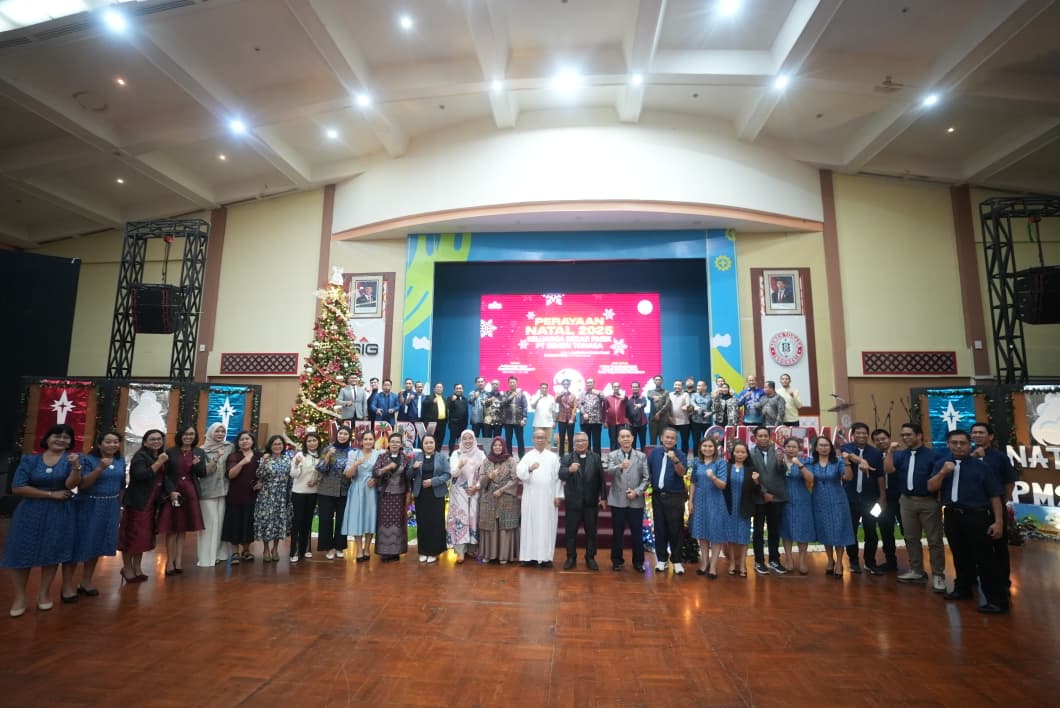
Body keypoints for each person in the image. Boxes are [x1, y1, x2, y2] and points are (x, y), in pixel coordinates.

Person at [2, 424, 82, 616]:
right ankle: (20, 597)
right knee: (20, 553)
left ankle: (44, 594)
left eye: (66, 437)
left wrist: (76, 467)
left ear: (70, 442)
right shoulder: (30, 460)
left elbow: (70, 485)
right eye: (57, 435)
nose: (61, 439)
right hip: (30, 511)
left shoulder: (71, 460)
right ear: (47, 438)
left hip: (59, 512)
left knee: (51, 551)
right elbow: (18, 487)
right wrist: (50, 494)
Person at [927, 429, 1007, 613]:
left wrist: (999, 521)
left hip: (977, 516)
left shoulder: (981, 467)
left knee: (985, 558)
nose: (958, 446)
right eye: (954, 443)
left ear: (969, 444)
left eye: (962, 443)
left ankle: (997, 600)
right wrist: (943, 473)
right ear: (948, 445)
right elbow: (931, 486)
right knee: (960, 555)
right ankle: (963, 589)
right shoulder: (942, 464)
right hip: (952, 515)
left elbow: (995, 496)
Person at [885, 422, 945, 591]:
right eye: (903, 435)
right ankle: (917, 571)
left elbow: (938, 481)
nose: (905, 438)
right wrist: (890, 452)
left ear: (919, 435)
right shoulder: (900, 455)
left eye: (909, 434)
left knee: (934, 540)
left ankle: (938, 574)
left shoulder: (933, 455)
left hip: (928, 501)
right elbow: (888, 470)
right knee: (911, 538)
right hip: (906, 501)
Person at [71, 431, 124, 597]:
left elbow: (121, 485)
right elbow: (83, 485)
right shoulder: (88, 459)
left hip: (110, 507)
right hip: (89, 505)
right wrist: (100, 468)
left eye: (116, 441)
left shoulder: (120, 460)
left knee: (97, 544)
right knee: (80, 543)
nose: (113, 444)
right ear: (99, 444)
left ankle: (86, 581)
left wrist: (119, 507)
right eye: (108, 441)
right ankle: (67, 584)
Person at [970, 420, 1017, 592]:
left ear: (990, 436)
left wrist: (1004, 502)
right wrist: (974, 457)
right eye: (974, 433)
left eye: (981, 432)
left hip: (995, 507)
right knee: (974, 545)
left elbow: (1009, 481)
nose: (977, 435)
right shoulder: (966, 456)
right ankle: (973, 578)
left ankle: (1003, 581)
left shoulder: (999, 457)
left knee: (999, 547)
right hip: (973, 508)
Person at [118, 429, 166, 583]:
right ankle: (127, 568)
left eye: (159, 439)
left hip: (151, 503)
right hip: (137, 503)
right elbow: (140, 475)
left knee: (143, 538)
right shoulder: (140, 456)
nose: (156, 441)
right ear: (145, 442)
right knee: (131, 537)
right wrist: (159, 463)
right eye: (152, 439)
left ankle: (137, 567)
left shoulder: (159, 456)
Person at [158, 425, 206, 575]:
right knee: (172, 528)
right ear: (180, 435)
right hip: (174, 490)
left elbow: (202, 473)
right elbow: (165, 474)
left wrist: (196, 465)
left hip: (190, 490)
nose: (188, 437)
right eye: (185, 434)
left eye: (191, 434)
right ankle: (169, 562)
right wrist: (171, 491)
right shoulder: (170, 451)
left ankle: (178, 561)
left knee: (183, 528)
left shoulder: (199, 452)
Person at [806, 436, 855, 576]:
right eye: (821, 445)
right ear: (816, 448)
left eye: (826, 445)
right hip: (819, 500)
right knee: (825, 530)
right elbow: (807, 478)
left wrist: (847, 462)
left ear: (831, 447)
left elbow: (848, 477)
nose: (823, 448)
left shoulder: (838, 461)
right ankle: (829, 560)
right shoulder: (811, 462)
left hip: (837, 500)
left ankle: (839, 563)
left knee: (839, 531)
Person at [559, 432, 607, 570]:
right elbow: (560, 474)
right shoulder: (567, 458)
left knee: (591, 532)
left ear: (588, 442)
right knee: (571, 532)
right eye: (578, 441)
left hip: (591, 502)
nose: (580, 443)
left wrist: (603, 497)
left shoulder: (596, 457)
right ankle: (571, 557)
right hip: (573, 503)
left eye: (583, 440)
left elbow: (601, 479)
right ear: (574, 443)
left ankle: (590, 557)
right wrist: (569, 470)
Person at [841, 423, 885, 575]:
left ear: (868, 434)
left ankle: (870, 562)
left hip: (870, 499)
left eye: (864, 433)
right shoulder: (847, 448)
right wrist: (862, 461)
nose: (861, 435)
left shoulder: (875, 453)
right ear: (853, 435)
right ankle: (853, 561)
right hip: (850, 498)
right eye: (858, 433)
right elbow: (848, 456)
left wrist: (882, 496)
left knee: (871, 531)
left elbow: (880, 476)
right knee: (851, 531)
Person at [516, 429, 563, 568]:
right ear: (533, 439)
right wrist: (530, 469)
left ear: (547, 440)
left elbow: (558, 478)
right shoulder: (527, 456)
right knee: (529, 526)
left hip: (548, 498)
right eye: (537, 437)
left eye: (542, 437)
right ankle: (528, 557)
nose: (540, 440)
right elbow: (520, 473)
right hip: (531, 498)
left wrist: (558, 495)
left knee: (546, 526)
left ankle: (545, 558)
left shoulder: (553, 457)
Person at [605, 428, 650, 571]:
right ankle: (617, 561)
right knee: (617, 532)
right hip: (618, 500)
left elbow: (647, 478)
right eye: (622, 436)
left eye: (628, 436)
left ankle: (638, 562)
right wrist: (619, 466)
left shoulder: (641, 456)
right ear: (618, 439)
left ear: (632, 438)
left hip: (636, 500)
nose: (625, 439)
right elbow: (609, 471)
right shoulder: (612, 455)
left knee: (637, 533)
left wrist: (637, 492)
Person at [748, 425, 789, 575]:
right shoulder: (750, 454)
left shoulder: (778, 452)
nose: (763, 438)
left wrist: (781, 462)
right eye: (760, 436)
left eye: (766, 436)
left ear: (770, 437)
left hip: (777, 498)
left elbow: (782, 472)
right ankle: (759, 561)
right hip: (759, 498)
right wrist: (764, 492)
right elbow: (751, 475)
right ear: (755, 438)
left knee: (774, 530)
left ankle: (774, 560)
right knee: (758, 530)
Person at [647, 428, 687, 575]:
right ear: (661, 438)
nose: (669, 440)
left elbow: (682, 473)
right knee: (659, 528)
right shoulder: (654, 453)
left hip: (675, 497)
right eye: (667, 437)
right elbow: (648, 471)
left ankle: (676, 561)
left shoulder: (680, 454)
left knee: (675, 529)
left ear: (676, 441)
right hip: (658, 496)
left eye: (672, 438)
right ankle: (661, 560)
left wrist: (675, 460)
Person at [689, 437, 728, 578]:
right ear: (700, 448)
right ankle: (704, 563)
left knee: (715, 533)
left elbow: (723, 485)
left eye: (710, 446)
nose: (707, 448)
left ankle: (713, 566)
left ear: (715, 448)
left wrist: (713, 477)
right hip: (699, 500)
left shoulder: (720, 462)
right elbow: (693, 482)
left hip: (715, 500)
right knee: (702, 532)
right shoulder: (697, 462)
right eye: (704, 446)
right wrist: (690, 501)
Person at [409, 434, 450, 563]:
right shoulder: (417, 456)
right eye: (426, 443)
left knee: (435, 523)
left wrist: (433, 481)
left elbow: (447, 474)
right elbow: (408, 474)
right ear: (422, 445)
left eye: (431, 442)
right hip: (421, 495)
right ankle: (423, 551)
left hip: (436, 495)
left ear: (435, 444)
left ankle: (434, 551)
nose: (429, 445)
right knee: (422, 523)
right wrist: (414, 468)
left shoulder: (441, 457)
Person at [479, 437, 520, 564]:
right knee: (490, 524)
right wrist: (489, 477)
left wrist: (502, 490)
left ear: (504, 447)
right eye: (495, 445)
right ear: (492, 447)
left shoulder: (511, 461)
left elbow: (515, 479)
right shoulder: (486, 461)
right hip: (489, 498)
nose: (497, 447)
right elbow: (481, 482)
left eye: (500, 445)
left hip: (507, 497)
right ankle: (489, 554)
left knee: (505, 526)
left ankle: (504, 555)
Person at [341, 430, 380, 562]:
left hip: (372, 490)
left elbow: (383, 473)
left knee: (370, 517)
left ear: (374, 441)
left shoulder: (379, 454)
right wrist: (356, 464)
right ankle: (358, 549)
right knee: (357, 517)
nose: (368, 441)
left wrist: (376, 480)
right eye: (366, 439)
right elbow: (348, 475)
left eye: (370, 439)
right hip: (357, 489)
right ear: (361, 441)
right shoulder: (354, 454)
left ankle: (367, 548)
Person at [372, 433, 411, 562]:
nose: (394, 444)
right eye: (392, 441)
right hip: (385, 495)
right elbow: (375, 472)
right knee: (384, 522)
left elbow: (408, 478)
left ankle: (396, 551)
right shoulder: (382, 457)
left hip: (400, 495)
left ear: (401, 444)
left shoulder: (405, 459)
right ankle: (384, 552)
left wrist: (409, 494)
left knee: (398, 522)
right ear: (388, 443)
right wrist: (387, 468)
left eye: (397, 442)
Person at [222, 431, 260, 563]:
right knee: (235, 522)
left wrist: (260, 483)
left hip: (252, 495)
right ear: (238, 443)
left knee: (248, 522)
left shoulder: (259, 456)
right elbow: (231, 475)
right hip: (235, 495)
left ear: (252, 441)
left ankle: (246, 550)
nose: (245, 441)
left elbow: (265, 473)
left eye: (247, 439)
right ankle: (235, 552)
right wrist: (242, 462)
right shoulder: (234, 456)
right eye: (242, 439)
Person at [779, 437, 815, 575]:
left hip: (802, 499)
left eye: (794, 447)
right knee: (786, 529)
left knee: (802, 529)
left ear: (799, 449)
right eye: (788, 446)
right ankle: (788, 559)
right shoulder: (779, 461)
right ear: (784, 448)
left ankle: (802, 560)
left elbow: (811, 479)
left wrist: (799, 464)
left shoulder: (805, 461)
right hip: (783, 499)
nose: (791, 449)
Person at [448, 429, 485, 563]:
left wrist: (477, 487)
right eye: (465, 438)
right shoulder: (456, 454)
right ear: (461, 440)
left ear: (474, 439)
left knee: (473, 518)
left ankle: (472, 549)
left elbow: (485, 474)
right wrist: (459, 465)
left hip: (474, 491)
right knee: (460, 519)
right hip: (459, 493)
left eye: (470, 438)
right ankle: (460, 551)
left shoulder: (481, 454)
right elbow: (453, 474)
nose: (468, 441)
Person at [198, 423, 232, 567]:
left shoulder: (229, 447)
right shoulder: (201, 450)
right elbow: (203, 471)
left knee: (220, 524)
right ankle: (206, 557)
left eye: (223, 431)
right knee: (210, 524)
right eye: (217, 431)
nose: (220, 434)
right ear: (211, 432)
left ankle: (219, 554)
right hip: (207, 491)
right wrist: (216, 458)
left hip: (223, 491)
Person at [316, 426, 353, 560]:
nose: (342, 436)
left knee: (342, 520)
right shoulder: (328, 449)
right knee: (326, 520)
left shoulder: (352, 452)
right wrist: (328, 456)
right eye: (340, 433)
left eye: (345, 434)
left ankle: (339, 547)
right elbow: (320, 468)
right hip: (326, 490)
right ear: (337, 435)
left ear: (349, 436)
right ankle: (329, 547)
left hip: (344, 491)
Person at [254, 435, 293, 563]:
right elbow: (259, 474)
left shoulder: (287, 459)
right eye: (275, 444)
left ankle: (275, 549)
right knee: (266, 521)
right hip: (267, 494)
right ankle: (265, 549)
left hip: (282, 495)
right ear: (270, 446)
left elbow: (291, 477)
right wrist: (264, 463)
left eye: (280, 444)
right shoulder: (265, 458)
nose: (277, 446)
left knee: (278, 522)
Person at [724, 442, 755, 577]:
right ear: (733, 453)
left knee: (744, 536)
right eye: (737, 452)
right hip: (729, 506)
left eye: (743, 452)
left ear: (747, 454)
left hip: (744, 507)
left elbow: (756, 490)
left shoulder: (751, 469)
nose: (740, 454)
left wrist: (757, 482)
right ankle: (732, 562)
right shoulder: (727, 467)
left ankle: (742, 563)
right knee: (730, 536)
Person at [289, 433, 321, 563]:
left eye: (314, 440)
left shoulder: (320, 457)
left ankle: (306, 548)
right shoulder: (300, 455)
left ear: (318, 442)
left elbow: (322, 474)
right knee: (298, 521)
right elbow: (293, 474)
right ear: (305, 443)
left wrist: (316, 481)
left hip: (313, 492)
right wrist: (296, 464)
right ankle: (295, 551)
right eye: (309, 441)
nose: (312, 443)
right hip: (299, 492)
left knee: (308, 520)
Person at [873, 428, 901, 572]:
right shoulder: (874, 457)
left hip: (900, 498)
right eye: (877, 440)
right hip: (881, 499)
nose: (880, 442)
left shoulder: (900, 455)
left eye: (883, 439)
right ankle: (891, 561)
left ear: (889, 439)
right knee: (885, 531)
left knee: (907, 531)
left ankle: (915, 564)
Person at [502, 376, 529, 458]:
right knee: (508, 440)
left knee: (520, 440)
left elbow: (525, 407)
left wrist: (524, 419)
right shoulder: (505, 394)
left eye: (514, 382)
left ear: (517, 383)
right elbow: (503, 403)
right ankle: (509, 457)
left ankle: (522, 457)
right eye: (510, 382)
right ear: (508, 383)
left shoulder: (522, 395)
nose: (512, 384)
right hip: (508, 421)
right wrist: (511, 396)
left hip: (519, 421)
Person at [577, 377, 606, 453]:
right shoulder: (582, 394)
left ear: (593, 384)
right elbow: (579, 404)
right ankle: (587, 457)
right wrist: (584, 413)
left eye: (590, 382)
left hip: (596, 420)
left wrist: (598, 393)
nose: (589, 384)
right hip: (585, 421)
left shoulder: (599, 392)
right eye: (587, 383)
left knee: (596, 441)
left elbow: (605, 399)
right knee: (586, 441)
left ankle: (597, 458)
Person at [668, 379, 692, 455]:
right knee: (672, 440)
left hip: (684, 421)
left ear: (682, 386)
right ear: (673, 386)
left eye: (679, 385)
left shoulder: (686, 394)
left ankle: (684, 456)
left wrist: (686, 406)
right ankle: (672, 455)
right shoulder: (670, 394)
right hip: (672, 421)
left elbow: (689, 405)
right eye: (676, 385)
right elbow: (666, 406)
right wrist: (669, 417)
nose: (677, 386)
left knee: (685, 440)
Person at [646, 375, 671, 445]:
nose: (658, 381)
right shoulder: (650, 391)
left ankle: (663, 452)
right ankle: (653, 452)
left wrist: (659, 413)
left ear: (662, 381)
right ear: (654, 381)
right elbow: (649, 396)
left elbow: (667, 405)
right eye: (656, 380)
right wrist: (655, 397)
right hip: (652, 419)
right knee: (652, 440)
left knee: (663, 440)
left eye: (659, 380)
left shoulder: (666, 392)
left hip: (663, 419)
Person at [555, 379, 577, 456]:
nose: (566, 385)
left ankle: (571, 455)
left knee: (570, 438)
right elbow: (556, 400)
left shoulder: (573, 395)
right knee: (561, 438)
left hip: (570, 419)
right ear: (562, 385)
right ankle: (561, 455)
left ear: (569, 385)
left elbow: (574, 408)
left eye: (567, 384)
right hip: (561, 419)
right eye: (564, 384)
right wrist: (562, 394)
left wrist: (572, 419)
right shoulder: (559, 394)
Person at [603, 382, 627, 452]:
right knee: (612, 440)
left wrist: (624, 397)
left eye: (617, 386)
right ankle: (612, 455)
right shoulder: (608, 398)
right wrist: (605, 421)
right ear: (612, 388)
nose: (616, 388)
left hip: (621, 423)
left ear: (620, 387)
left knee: (620, 440)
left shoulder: (623, 397)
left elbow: (626, 399)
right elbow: (604, 410)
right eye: (614, 386)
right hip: (611, 422)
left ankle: (620, 455)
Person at [624, 381, 649, 450]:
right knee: (632, 442)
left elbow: (644, 403)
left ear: (639, 388)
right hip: (631, 424)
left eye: (636, 387)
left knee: (642, 442)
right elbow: (625, 411)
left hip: (642, 424)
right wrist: (627, 421)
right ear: (631, 388)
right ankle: (633, 455)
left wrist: (640, 405)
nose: (635, 388)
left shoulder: (642, 397)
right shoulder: (628, 398)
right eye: (633, 387)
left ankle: (643, 455)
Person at [690, 380, 713, 451]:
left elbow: (714, 407)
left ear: (705, 387)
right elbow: (692, 402)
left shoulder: (710, 396)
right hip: (696, 421)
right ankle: (696, 456)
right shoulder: (694, 395)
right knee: (696, 441)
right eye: (697, 385)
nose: (698, 387)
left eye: (700, 386)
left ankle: (706, 455)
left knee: (707, 440)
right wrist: (696, 407)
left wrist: (710, 413)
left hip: (707, 421)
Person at [447, 383, 469, 451]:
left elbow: (466, 411)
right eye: (457, 388)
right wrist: (452, 401)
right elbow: (447, 407)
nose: (459, 390)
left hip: (463, 424)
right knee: (452, 440)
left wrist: (466, 423)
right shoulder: (450, 398)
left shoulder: (465, 399)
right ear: (454, 390)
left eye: (460, 388)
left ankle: (462, 453)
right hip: (454, 424)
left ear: (462, 389)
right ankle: (451, 454)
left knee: (462, 440)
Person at [427, 382, 448, 449]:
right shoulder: (430, 397)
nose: (439, 388)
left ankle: (438, 452)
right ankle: (432, 452)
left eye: (440, 387)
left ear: (442, 389)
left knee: (440, 438)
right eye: (437, 387)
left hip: (443, 422)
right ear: (434, 389)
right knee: (432, 438)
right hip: (433, 422)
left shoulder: (444, 398)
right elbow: (424, 404)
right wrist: (432, 401)